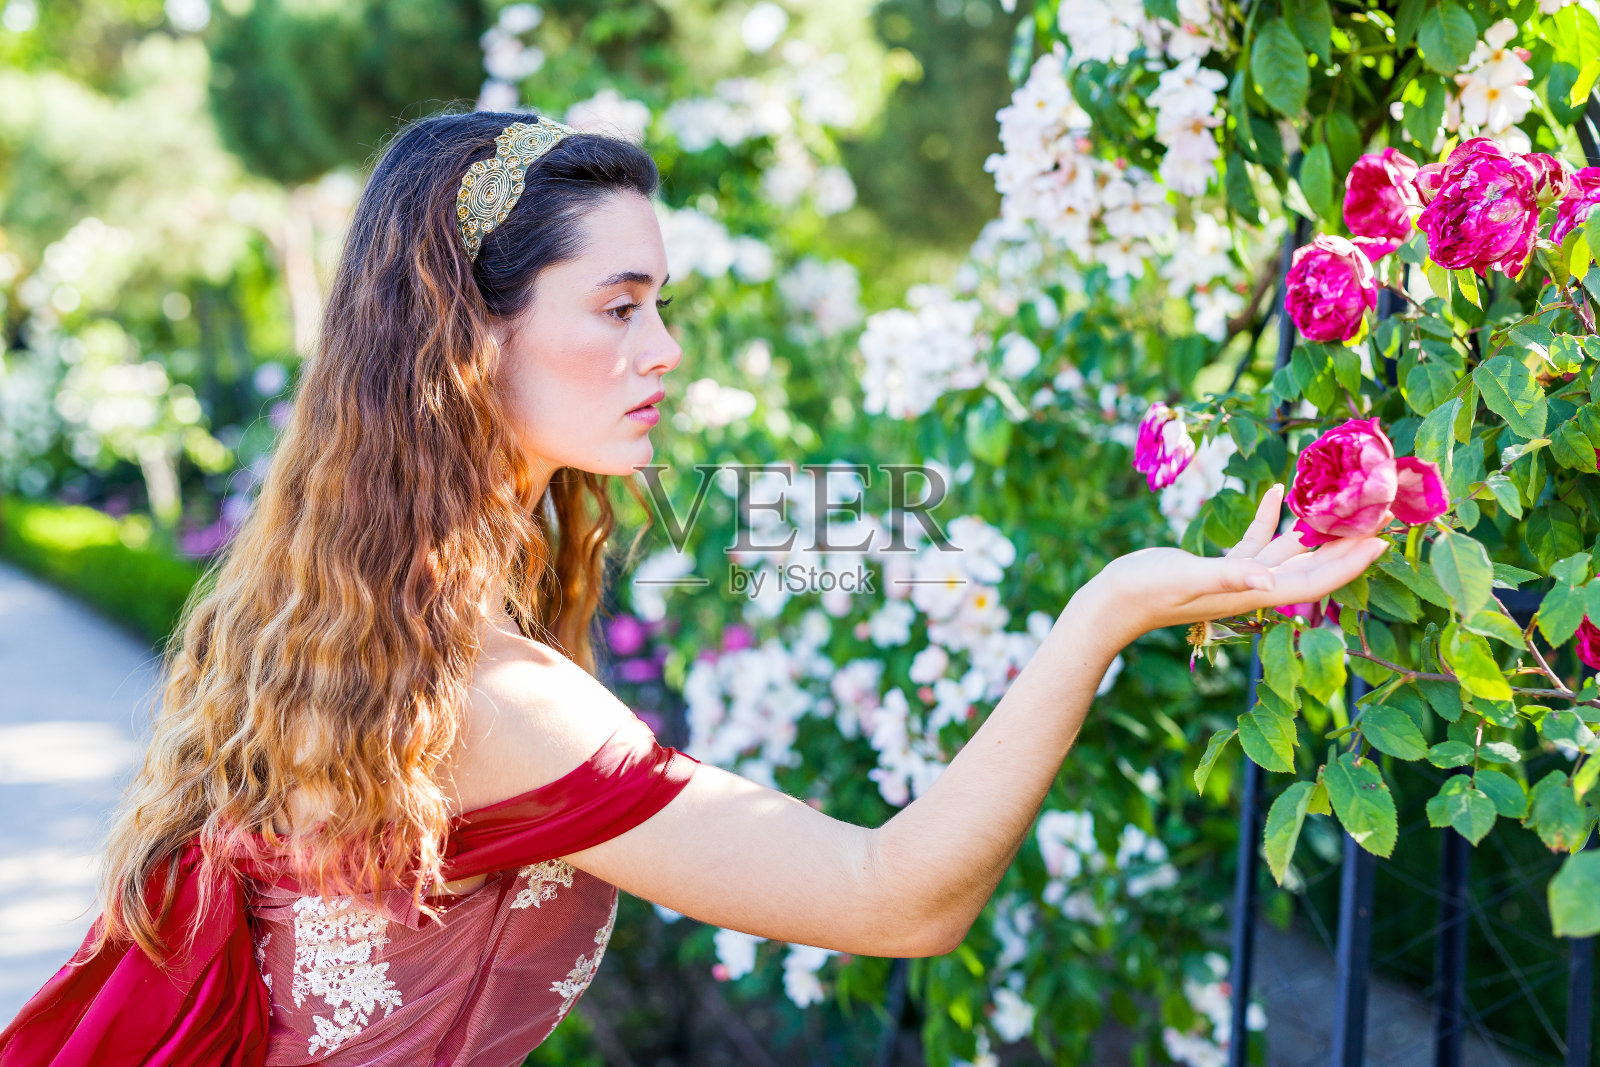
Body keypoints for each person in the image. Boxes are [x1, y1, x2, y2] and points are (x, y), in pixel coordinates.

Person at [0, 108, 1387, 1067]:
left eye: (665, 305)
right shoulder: (492, 699)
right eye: (617, 307)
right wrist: (1111, 609)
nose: (663, 348)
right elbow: (896, 897)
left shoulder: (332, 620)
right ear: (465, 341)